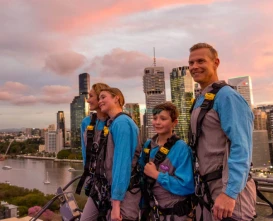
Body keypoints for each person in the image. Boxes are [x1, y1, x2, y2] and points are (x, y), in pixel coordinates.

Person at [188, 43, 256, 221]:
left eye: (200, 61)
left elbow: (242, 147)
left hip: (228, 193)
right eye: (191, 62)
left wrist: (230, 193)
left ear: (216, 62)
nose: (194, 67)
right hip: (208, 192)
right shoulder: (202, 100)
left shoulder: (227, 97)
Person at [82, 87, 141, 221]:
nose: (100, 101)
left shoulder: (122, 123)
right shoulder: (112, 123)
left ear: (116, 98)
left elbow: (122, 165)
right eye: (100, 97)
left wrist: (116, 204)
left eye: (104, 97)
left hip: (123, 195)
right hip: (106, 190)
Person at [140, 102, 195, 221]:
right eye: (155, 118)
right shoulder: (148, 145)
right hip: (152, 212)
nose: (157, 122)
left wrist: (157, 175)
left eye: (163, 119)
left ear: (174, 123)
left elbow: (187, 186)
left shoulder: (181, 148)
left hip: (174, 214)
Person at [78, 82, 110, 221]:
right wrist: (89, 178)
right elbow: (86, 154)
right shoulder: (87, 122)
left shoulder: (117, 122)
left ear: (101, 98)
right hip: (96, 183)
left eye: (91, 96)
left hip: (112, 183)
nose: (88, 100)